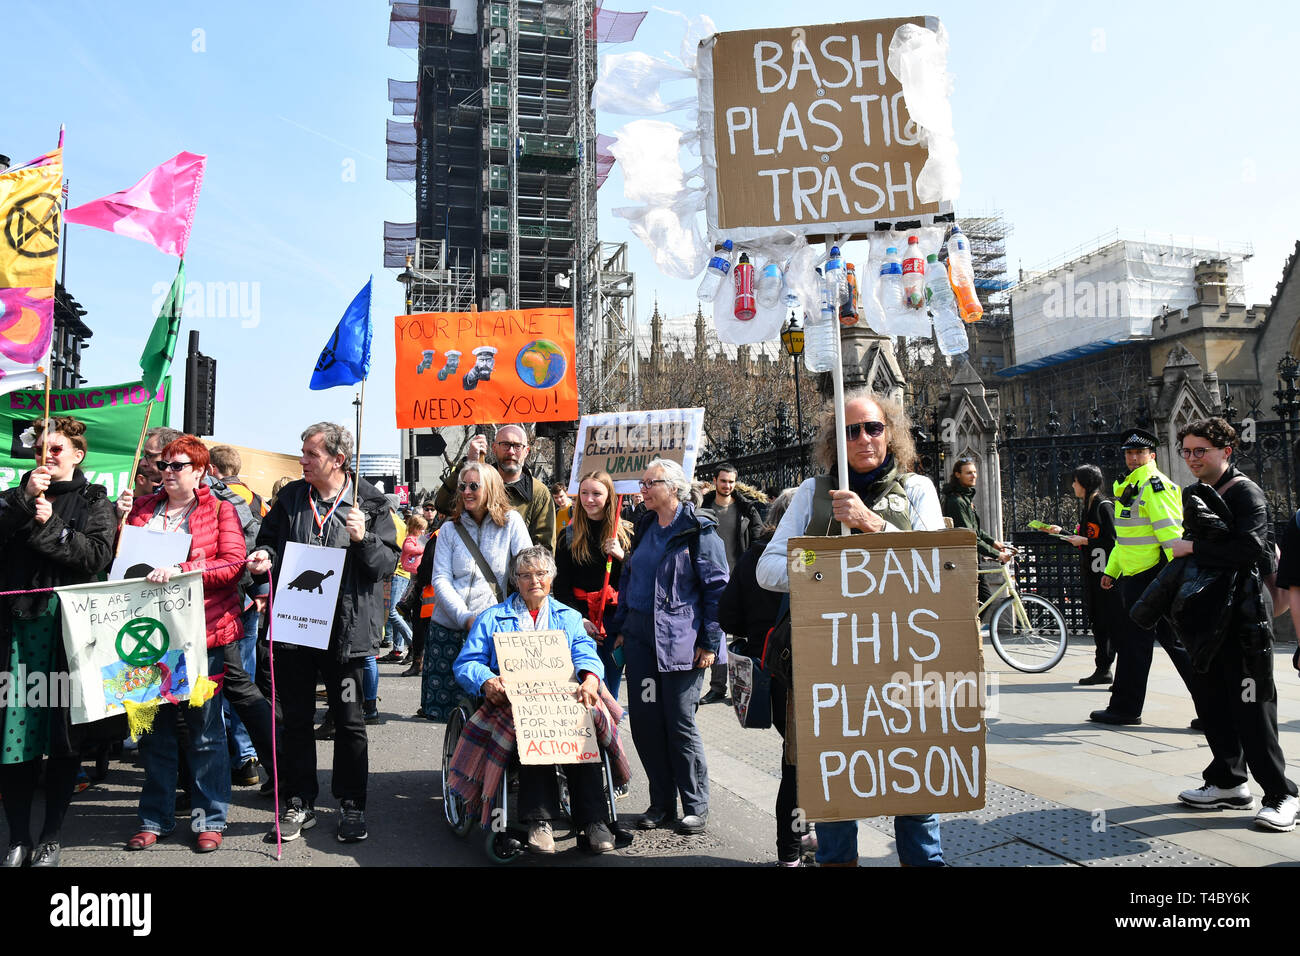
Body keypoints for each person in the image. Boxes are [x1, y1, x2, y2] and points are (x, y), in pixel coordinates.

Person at [757, 388, 946, 867]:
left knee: (914, 785)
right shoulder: (811, 495)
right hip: (832, 667)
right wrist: (826, 565)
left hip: (905, 660)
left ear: (891, 434)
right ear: (835, 441)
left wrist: (870, 525)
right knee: (836, 793)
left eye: (874, 427)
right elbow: (767, 569)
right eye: (851, 430)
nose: (864, 438)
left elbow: (940, 566)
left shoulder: (917, 490)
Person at [247, 423, 400, 844]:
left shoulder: (370, 500)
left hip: (346, 634)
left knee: (349, 721)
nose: (302, 460)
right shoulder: (293, 496)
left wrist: (363, 537)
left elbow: (385, 565)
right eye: (303, 452)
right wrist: (263, 556)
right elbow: (270, 539)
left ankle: (352, 804)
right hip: (297, 628)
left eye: (311, 454)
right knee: (295, 719)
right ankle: (300, 802)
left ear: (338, 459)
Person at [1166, 418, 1297, 831]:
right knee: (1212, 704)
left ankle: (1282, 794)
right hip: (1208, 618)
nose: (1191, 458)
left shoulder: (1246, 492)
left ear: (1226, 450)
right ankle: (1227, 781)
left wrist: (1192, 547)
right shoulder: (1199, 493)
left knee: (1252, 708)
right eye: (1186, 451)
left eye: (1199, 450)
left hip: (1244, 619)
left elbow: (1249, 549)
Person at [117, 435, 246, 854]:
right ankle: (154, 817)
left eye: (177, 466)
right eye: (164, 465)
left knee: (204, 732)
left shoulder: (220, 509)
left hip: (200, 635)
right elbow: (117, 562)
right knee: (150, 731)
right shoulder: (140, 509)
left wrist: (181, 569)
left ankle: (209, 818)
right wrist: (116, 522)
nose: (166, 472)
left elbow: (232, 563)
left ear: (200, 471)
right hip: (144, 639)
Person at [0, 418, 117, 868]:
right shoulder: (15, 495)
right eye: (42, 450)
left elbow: (95, 557)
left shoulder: (94, 500)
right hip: (19, 630)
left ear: (77, 455)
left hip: (69, 634)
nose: (47, 456)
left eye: (57, 449)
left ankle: (50, 835)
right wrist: (25, 501)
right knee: (16, 735)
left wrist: (52, 527)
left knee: (63, 737)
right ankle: (16, 837)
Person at [453, 546, 617, 853]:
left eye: (541, 574)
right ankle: (540, 821)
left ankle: (594, 820)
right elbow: (466, 663)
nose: (534, 581)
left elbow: (585, 651)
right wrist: (486, 679)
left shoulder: (568, 618)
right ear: (516, 580)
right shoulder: (493, 618)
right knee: (533, 725)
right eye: (526, 575)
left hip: (563, 696)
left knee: (584, 720)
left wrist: (591, 678)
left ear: (552, 578)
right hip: (512, 702)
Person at [608, 458, 728, 836]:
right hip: (642, 643)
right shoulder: (645, 525)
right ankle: (661, 803)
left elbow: (716, 590)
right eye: (642, 483)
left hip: (682, 645)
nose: (641, 489)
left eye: (649, 483)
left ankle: (695, 806)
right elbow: (632, 577)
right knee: (645, 723)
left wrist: (709, 642)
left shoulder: (698, 529)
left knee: (679, 722)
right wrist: (626, 624)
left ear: (672, 488)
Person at [1089, 427, 1201, 727]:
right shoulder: (1131, 486)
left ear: (1152, 455)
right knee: (1168, 644)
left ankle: (1125, 708)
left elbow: (1171, 536)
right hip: (1137, 577)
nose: (1133, 457)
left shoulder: (1153, 486)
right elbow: (1126, 538)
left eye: (1139, 453)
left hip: (1152, 578)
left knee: (1138, 645)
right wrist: (1112, 571)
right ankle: (1214, 709)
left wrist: (1172, 581)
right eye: (1129, 453)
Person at [717, 487, 799, 865]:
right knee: (808, 765)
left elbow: (728, 617)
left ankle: (792, 853)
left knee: (793, 764)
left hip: (774, 675)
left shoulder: (754, 557)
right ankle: (809, 840)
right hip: (812, 673)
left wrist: (758, 629)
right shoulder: (814, 555)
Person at [421, 461, 530, 720]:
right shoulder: (448, 528)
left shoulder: (511, 522)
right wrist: (463, 616)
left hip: (492, 629)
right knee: (450, 716)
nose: (466, 491)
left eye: (474, 486)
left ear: (491, 488)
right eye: (462, 486)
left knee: (493, 711)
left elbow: (528, 567)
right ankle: (455, 760)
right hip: (447, 629)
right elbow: (441, 579)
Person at [205, 444, 271, 786]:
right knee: (243, 679)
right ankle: (246, 756)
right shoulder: (257, 498)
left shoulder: (218, 498)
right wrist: (261, 591)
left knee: (225, 684)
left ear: (212, 468)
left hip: (226, 599)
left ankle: (231, 754)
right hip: (248, 597)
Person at [555, 470, 632, 700]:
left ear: (609, 496)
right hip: (581, 621)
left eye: (596, 494)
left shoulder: (625, 533)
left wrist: (622, 556)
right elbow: (561, 588)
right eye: (584, 493)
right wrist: (581, 620)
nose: (589, 499)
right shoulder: (568, 535)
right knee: (585, 689)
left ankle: (610, 733)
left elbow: (636, 582)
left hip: (614, 622)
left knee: (610, 692)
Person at [1047, 465, 1119, 685]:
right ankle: (1103, 668)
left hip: (1106, 574)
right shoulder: (1087, 507)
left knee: (1110, 624)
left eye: (1075, 481)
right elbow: (1084, 541)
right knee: (1098, 622)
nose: (1073, 485)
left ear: (1085, 483)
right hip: (1092, 573)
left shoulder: (1103, 506)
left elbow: (1114, 541)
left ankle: (1115, 672)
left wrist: (1085, 541)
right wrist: (1062, 533)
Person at [699, 462, 762, 705]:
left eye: (731, 481)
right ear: (715, 481)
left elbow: (757, 540)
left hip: (740, 580)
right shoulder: (702, 507)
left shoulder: (747, 509)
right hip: (710, 580)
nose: (727, 485)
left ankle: (744, 688)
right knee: (713, 634)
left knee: (741, 637)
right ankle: (717, 687)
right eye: (723, 481)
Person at [434, 425, 555, 549]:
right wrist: (468, 464)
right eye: (505, 444)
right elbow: (443, 505)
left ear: (527, 451)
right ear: (494, 448)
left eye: (518, 446)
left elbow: (544, 548)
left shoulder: (539, 493)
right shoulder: (477, 481)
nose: (511, 451)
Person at [941, 457, 1012, 625]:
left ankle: (968, 632)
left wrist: (994, 542)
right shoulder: (957, 501)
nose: (973, 476)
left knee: (976, 601)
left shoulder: (965, 498)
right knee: (984, 598)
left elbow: (976, 531)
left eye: (974, 472)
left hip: (970, 556)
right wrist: (997, 555)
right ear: (957, 475)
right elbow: (968, 535)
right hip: (963, 557)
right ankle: (966, 633)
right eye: (968, 473)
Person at [381, 514, 426, 664]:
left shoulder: (392, 522)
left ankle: (410, 641)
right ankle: (400, 646)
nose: (422, 532)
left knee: (393, 611)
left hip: (402, 573)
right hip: (407, 573)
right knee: (397, 610)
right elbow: (408, 548)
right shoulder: (407, 534)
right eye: (421, 529)